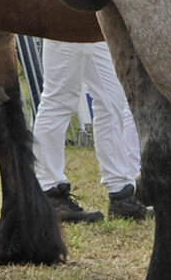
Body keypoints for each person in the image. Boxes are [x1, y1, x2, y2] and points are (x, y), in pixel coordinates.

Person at [30, 38, 147, 222]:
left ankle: (121, 192)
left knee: (112, 100)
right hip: (68, 19)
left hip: (92, 24)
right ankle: (51, 191)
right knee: (60, 98)